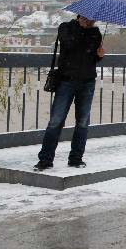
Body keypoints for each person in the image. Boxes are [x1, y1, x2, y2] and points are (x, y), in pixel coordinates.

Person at [34, 15, 105, 170]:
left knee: (83, 122)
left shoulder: (96, 32)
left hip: (87, 81)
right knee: (56, 121)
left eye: (93, 20)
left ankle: (76, 159)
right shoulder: (65, 27)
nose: (90, 22)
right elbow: (69, 44)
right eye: (87, 19)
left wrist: (99, 56)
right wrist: (83, 30)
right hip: (66, 80)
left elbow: (91, 57)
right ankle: (45, 160)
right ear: (80, 16)